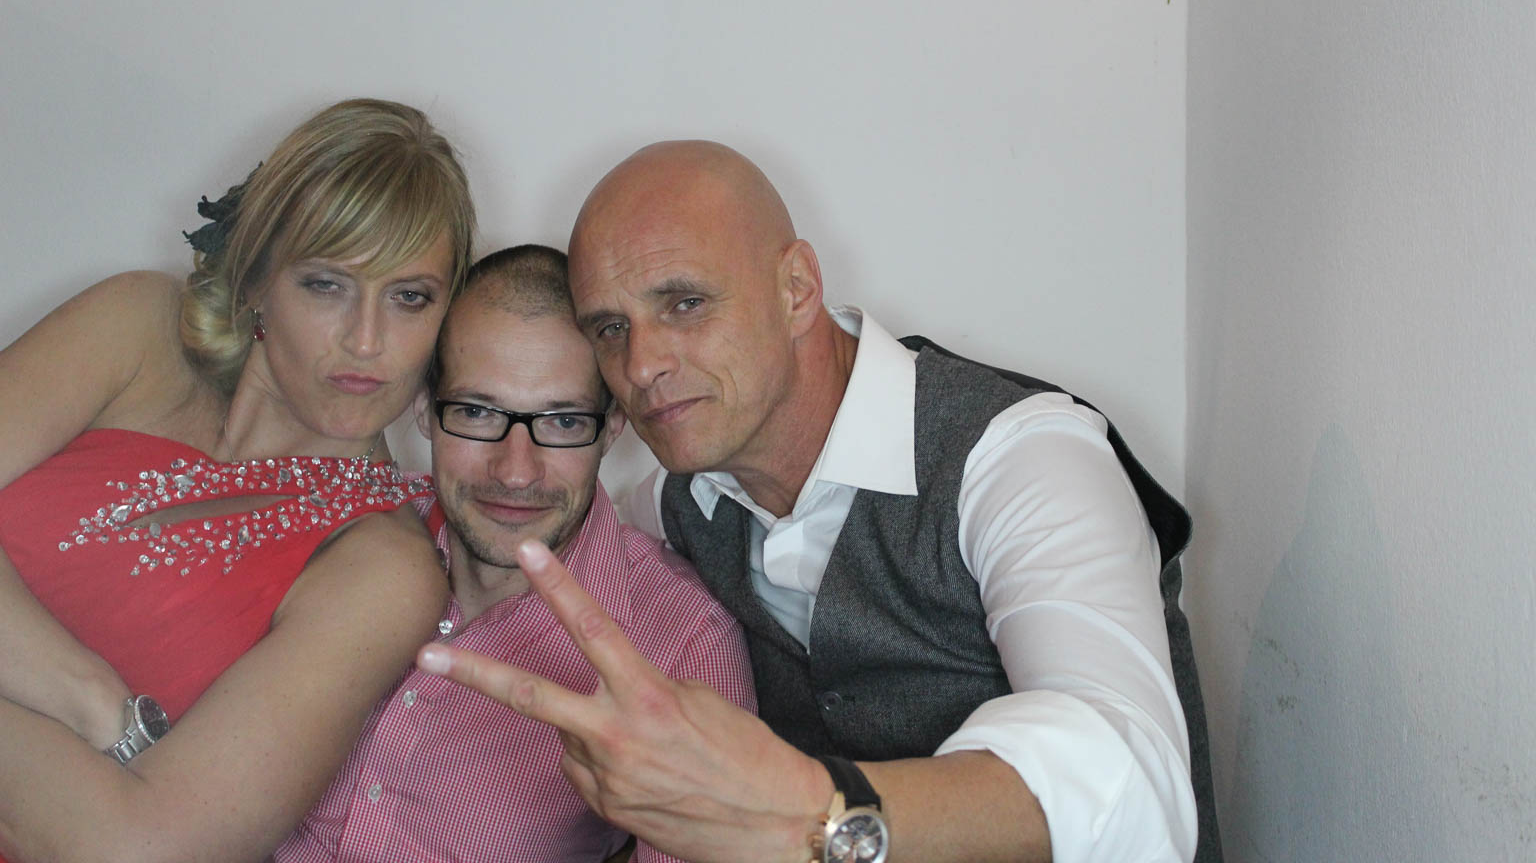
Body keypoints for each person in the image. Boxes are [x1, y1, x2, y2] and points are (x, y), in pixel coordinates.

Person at [419, 140, 1222, 863]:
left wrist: (806, 809)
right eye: (609, 328)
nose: (643, 364)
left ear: (797, 287)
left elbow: (1132, 779)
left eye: (685, 303)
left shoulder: (1019, 455)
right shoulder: (669, 505)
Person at [0, 98, 477, 863]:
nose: (366, 340)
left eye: (409, 297)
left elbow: (139, 851)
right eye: (326, 284)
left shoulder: (381, 570)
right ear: (255, 277)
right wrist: (90, 701)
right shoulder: (137, 328)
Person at [274, 244, 755, 863]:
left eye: (562, 422)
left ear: (611, 429)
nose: (516, 471)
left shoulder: (682, 644)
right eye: (477, 412)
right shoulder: (338, 530)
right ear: (423, 410)